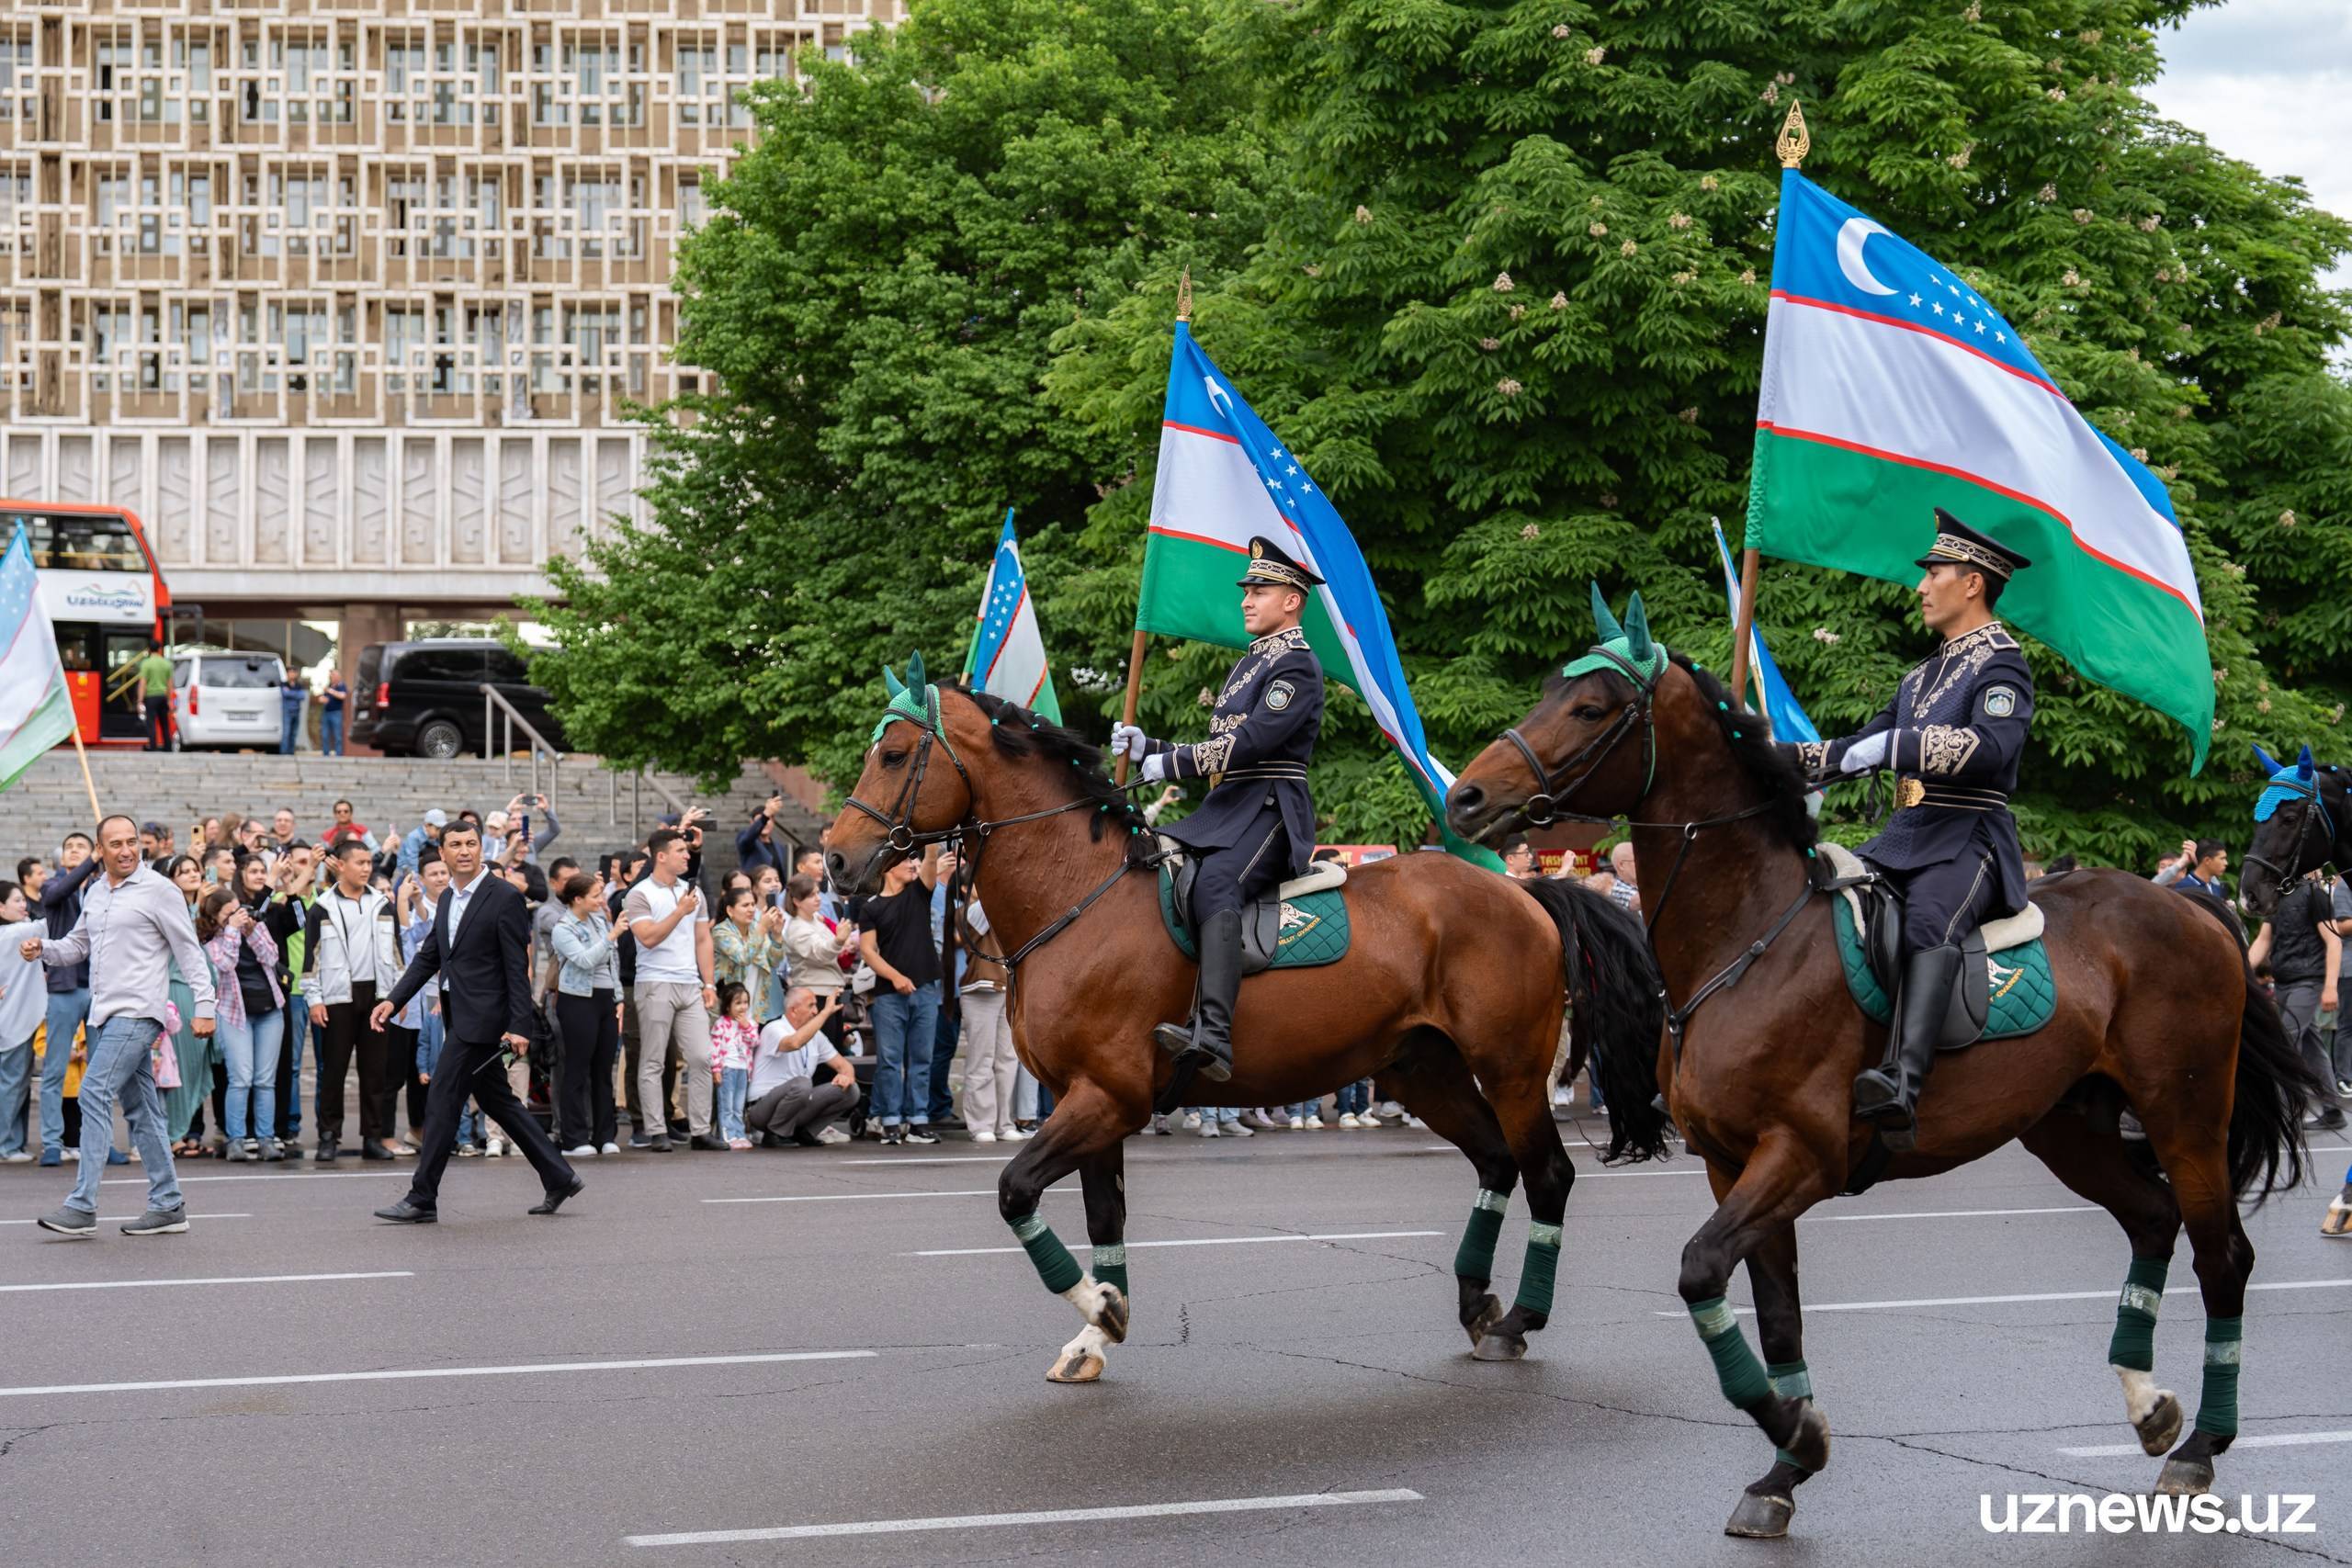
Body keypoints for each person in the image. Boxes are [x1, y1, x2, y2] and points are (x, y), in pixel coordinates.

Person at [1776, 508, 2034, 1151]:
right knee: (1825, 908)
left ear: (1972, 582)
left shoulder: (2002, 662)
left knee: (1927, 923)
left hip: (1967, 836)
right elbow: (1858, 747)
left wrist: (1902, 744)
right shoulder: (1920, 676)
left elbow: (1993, 747)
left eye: (1934, 572)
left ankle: (1903, 1082)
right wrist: (1769, 756)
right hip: (1903, 836)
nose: (1920, 586)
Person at [1111, 535, 1327, 1082]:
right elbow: (1224, 749)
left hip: (1271, 809)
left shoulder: (1297, 666)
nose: (1246, 599)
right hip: (1228, 806)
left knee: (1214, 887)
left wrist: (1172, 764)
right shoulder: (1249, 665)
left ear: (1292, 599)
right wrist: (1150, 749)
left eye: (1260, 588)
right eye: (1247, 589)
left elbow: (1253, 744)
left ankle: (1215, 1036)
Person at [366, 819, 581, 1223]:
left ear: (480, 848)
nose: (464, 850)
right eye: (455, 845)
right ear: (442, 853)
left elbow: (518, 969)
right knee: (501, 1102)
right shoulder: (448, 897)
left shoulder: (503, 897)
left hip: (484, 1022)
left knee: (442, 1100)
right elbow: (431, 956)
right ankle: (559, 1176)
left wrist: (519, 1025)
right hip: (459, 1015)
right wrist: (393, 1002)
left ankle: (422, 1197)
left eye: (470, 843)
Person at [26, 815, 218, 1236]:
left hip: (139, 1012)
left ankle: (81, 1206)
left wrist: (205, 1006)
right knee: (142, 1111)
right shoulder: (94, 891)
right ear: (101, 850)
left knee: (94, 1092)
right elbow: (78, 945)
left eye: (133, 842)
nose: (127, 850)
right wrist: (44, 948)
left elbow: (189, 951)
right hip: (104, 1013)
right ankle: (168, 1205)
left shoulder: (160, 891)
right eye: (116, 844)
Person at [624, 827, 722, 1151]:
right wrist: (679, 911)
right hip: (655, 982)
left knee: (702, 1057)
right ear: (661, 856)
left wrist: (708, 982)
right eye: (681, 851)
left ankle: (700, 1130)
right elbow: (648, 937)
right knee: (653, 1060)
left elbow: (703, 938)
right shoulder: (639, 893)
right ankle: (656, 1130)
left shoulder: (691, 892)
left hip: (689, 983)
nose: (687, 855)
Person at [307, 838, 401, 1161]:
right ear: (341, 865)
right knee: (333, 1071)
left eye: (369, 863)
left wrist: (396, 999)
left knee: (375, 1072)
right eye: (359, 863)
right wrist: (314, 999)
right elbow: (311, 960)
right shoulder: (323, 906)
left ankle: (372, 1138)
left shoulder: (382, 904)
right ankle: (328, 1135)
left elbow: (398, 956)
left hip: (376, 995)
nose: (366, 868)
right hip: (337, 996)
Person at [854, 846, 944, 1145]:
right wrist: (895, 977)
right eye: (906, 860)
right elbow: (867, 950)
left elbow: (931, 859)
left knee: (921, 1058)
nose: (913, 864)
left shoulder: (919, 893)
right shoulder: (871, 907)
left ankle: (918, 1120)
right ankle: (890, 1120)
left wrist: (931, 838)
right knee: (890, 1060)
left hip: (926, 989)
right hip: (888, 995)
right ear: (888, 867)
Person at [2249, 869, 2346, 1132]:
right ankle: (2333, 1109)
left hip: (2309, 980)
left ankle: (2277, 1112)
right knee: (2312, 1045)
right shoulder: (2276, 897)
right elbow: (2263, 940)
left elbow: (2333, 941)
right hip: (2284, 980)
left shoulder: (2316, 896)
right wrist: (2241, 971)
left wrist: (2330, 987)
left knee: (2284, 1041)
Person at [197, 885, 285, 1161]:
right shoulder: (212, 943)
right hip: (235, 1014)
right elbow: (225, 964)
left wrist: (252, 932)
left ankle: (266, 1139)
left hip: (270, 1010)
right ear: (216, 918)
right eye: (230, 912)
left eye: (239, 908)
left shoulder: (254, 927)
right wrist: (233, 931)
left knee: (265, 1080)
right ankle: (236, 1140)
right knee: (241, 1079)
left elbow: (272, 957)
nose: (239, 914)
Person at [34, 831, 99, 1166]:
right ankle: (51, 1142)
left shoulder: (102, 887)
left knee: (99, 1071)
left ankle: (98, 1143)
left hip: (99, 986)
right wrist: (90, 862)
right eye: (69, 847)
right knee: (55, 1070)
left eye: (82, 847)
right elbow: (61, 892)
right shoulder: (52, 885)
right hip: (64, 986)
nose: (74, 851)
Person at [549, 871, 622, 1156]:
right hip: (577, 999)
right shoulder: (563, 928)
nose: (601, 900)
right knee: (577, 1069)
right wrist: (611, 936)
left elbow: (610, 961)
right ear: (577, 899)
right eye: (595, 896)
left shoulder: (598, 920)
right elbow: (584, 960)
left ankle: (605, 1135)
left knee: (603, 1069)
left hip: (605, 998)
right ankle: (574, 1138)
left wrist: (618, 996)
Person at [744, 987, 857, 1146]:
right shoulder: (774, 1028)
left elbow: (844, 1065)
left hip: (796, 1103)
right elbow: (794, 1042)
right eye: (811, 1005)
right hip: (761, 1110)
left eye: (817, 1007)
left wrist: (846, 1077)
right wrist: (826, 1013)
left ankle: (804, 1132)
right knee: (802, 1083)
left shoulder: (816, 1036)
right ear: (794, 1010)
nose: (816, 1011)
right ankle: (774, 1134)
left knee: (851, 1091)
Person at [957, 892, 1023, 1143]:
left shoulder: (1004, 906)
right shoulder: (967, 912)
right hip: (980, 989)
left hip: (1009, 989)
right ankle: (981, 1123)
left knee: (1007, 1060)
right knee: (981, 1059)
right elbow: (986, 907)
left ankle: (1003, 1122)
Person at [0, 880, 43, 1160]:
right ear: (1, 908)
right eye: (17, 900)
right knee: (13, 1082)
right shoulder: (17, 932)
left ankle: (15, 1142)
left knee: (15, 1082)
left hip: (15, 1019)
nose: (23, 905)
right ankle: (6, 1144)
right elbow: (49, 924)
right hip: (13, 1021)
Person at [715, 885, 787, 1022]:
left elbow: (774, 962)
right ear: (730, 910)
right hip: (732, 1005)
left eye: (753, 904)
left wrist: (777, 937)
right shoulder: (721, 932)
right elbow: (743, 957)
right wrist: (762, 928)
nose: (751, 909)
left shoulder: (756, 927)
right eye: (745, 905)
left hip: (758, 1003)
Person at [711, 981, 757, 1150]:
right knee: (726, 1104)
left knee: (739, 1106)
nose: (742, 1007)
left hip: (743, 1070)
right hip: (727, 1069)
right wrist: (716, 1069)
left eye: (745, 1002)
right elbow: (714, 1048)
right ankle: (727, 1134)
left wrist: (746, 1028)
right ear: (727, 1005)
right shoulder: (721, 1024)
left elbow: (754, 1042)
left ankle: (739, 1133)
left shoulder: (750, 1023)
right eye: (738, 1003)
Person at [137, 637, 175, 750]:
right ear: (160, 649)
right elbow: (170, 684)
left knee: (151, 723)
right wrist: (169, 700)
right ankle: (168, 747)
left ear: (149, 650)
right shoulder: (167, 664)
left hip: (151, 697)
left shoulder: (146, 664)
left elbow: (143, 683)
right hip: (163, 697)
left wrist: (140, 700)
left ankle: (153, 747)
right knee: (164, 723)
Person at [319, 665, 349, 755]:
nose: (331, 677)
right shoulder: (329, 686)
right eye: (331, 675)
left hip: (336, 713)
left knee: (337, 736)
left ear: (338, 676)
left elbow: (343, 696)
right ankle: (326, 755)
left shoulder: (341, 685)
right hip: (326, 713)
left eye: (333, 675)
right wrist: (322, 699)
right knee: (325, 735)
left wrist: (330, 691)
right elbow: (325, 698)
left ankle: (339, 756)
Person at [278, 669, 309, 754]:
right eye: (290, 672)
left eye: (294, 672)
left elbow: (302, 696)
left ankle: (291, 754)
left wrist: (291, 693)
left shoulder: (299, 685)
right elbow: (285, 694)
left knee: (294, 734)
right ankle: (283, 754)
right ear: (287, 674)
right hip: (287, 712)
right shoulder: (284, 684)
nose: (292, 674)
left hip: (296, 711)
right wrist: (296, 694)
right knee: (286, 733)